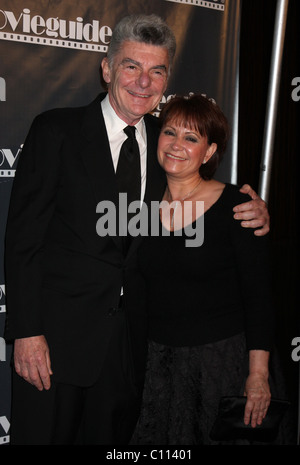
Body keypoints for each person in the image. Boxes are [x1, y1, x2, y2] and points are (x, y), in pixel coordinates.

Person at [4, 15, 269, 445]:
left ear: (167, 78)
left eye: (157, 71)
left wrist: (254, 210)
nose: (144, 82)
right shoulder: (56, 131)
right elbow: (22, 241)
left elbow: (204, 200)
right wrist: (27, 332)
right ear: (107, 69)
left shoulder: (167, 146)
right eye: (132, 67)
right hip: (55, 345)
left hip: (130, 351)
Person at [131, 94, 285, 445]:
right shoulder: (140, 206)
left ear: (210, 151)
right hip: (157, 368)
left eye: (192, 138)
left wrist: (258, 375)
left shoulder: (239, 207)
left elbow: (259, 297)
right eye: (170, 132)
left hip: (220, 365)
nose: (176, 145)